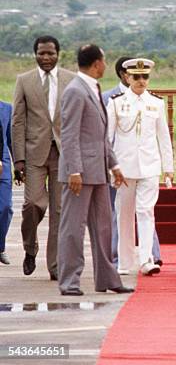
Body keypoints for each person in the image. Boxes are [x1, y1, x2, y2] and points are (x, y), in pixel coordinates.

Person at [57, 44, 133, 296]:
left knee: (103, 227)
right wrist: (74, 170)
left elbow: (99, 135)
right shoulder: (75, 91)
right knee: (72, 228)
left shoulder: (93, 87)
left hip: (99, 169)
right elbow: (69, 134)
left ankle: (107, 279)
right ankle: (69, 281)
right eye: (103, 60)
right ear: (96, 63)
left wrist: (114, 164)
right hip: (79, 173)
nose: (104, 64)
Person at [12, 35, 76, 280]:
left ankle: (55, 265)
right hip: (33, 154)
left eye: (50, 53)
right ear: (35, 54)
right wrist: (18, 159)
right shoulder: (24, 81)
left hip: (62, 153)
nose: (46, 58)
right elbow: (18, 121)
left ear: (58, 53)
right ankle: (30, 248)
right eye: (41, 53)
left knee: (59, 210)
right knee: (32, 204)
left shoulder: (71, 80)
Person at [107, 58, 174, 276]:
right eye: (136, 77)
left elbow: (164, 137)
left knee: (146, 211)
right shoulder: (116, 102)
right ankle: (125, 262)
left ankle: (146, 259)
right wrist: (109, 167)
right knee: (124, 215)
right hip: (123, 167)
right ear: (127, 77)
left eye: (145, 76)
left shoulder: (156, 103)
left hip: (149, 166)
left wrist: (168, 167)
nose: (141, 81)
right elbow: (108, 138)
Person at [0, 102, 9, 265]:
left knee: (5, 207)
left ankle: (0, 246)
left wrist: (20, 166)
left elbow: (11, 139)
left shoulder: (7, 109)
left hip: (3, 164)